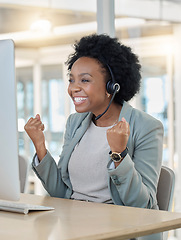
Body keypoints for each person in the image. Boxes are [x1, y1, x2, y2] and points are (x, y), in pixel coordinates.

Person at [24, 34, 164, 239]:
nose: (73, 88)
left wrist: (119, 155)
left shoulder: (147, 127)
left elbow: (142, 205)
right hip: (75, 227)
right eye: (71, 80)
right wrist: (40, 145)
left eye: (85, 80)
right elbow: (61, 193)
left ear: (112, 87)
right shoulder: (76, 122)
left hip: (117, 231)